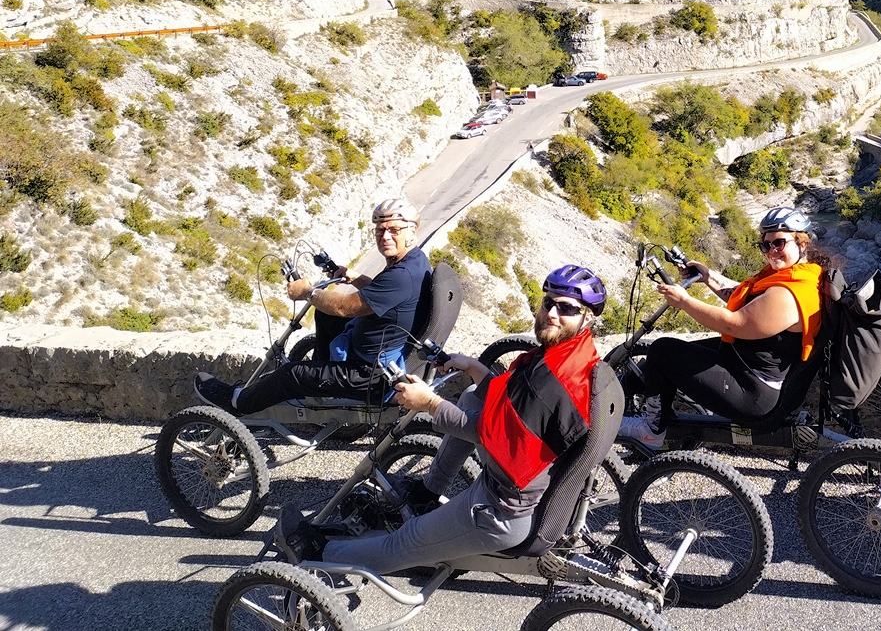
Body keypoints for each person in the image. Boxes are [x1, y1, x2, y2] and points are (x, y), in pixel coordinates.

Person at [274, 264, 610, 571]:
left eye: (567, 308)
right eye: (548, 302)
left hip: (500, 511)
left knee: (406, 540)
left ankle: (317, 555)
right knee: (472, 395)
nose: (551, 313)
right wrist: (475, 368)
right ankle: (427, 491)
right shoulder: (569, 356)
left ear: (589, 317)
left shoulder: (552, 383)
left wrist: (429, 403)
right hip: (520, 482)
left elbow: (487, 432)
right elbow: (509, 406)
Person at [193, 197, 431, 415]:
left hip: (371, 375)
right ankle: (320, 383)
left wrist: (307, 292)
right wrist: (355, 277)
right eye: (380, 230)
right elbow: (385, 295)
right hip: (382, 353)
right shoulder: (414, 261)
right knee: (326, 316)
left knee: (291, 374)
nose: (385, 236)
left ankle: (239, 402)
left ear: (411, 231)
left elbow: (345, 307)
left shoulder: (401, 275)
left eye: (394, 230)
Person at [617, 206, 825, 447]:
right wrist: (708, 276)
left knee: (662, 351)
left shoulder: (789, 295)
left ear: (803, 243)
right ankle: (619, 394)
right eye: (766, 245)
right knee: (684, 353)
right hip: (756, 374)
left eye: (779, 243)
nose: (771, 251)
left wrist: (684, 301)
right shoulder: (801, 275)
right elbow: (748, 299)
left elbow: (734, 324)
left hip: (755, 395)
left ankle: (650, 431)